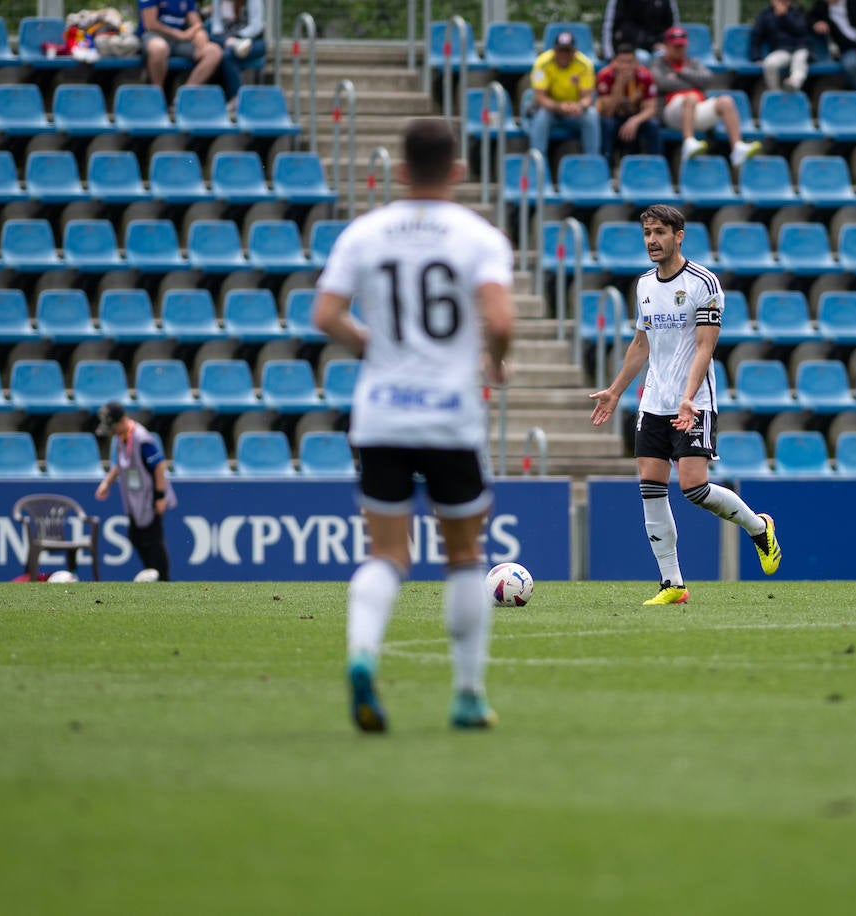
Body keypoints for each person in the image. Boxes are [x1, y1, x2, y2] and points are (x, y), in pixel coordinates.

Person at [313, 117, 515, 734]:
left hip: (381, 413)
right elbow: (501, 322)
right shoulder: (477, 236)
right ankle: (466, 694)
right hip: (450, 414)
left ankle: (362, 657)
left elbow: (325, 313)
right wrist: (495, 364)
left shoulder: (365, 233)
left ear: (399, 171)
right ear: (457, 170)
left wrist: (374, 346)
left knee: (385, 551)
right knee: (463, 556)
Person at [588, 204, 782, 605]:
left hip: (693, 402)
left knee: (694, 487)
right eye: (647, 234)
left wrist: (688, 397)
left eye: (660, 232)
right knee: (651, 489)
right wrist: (616, 390)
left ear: (679, 235)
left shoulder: (703, 283)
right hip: (653, 402)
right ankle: (672, 584)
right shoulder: (643, 285)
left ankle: (759, 527)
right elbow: (641, 344)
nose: (652, 241)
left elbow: (704, 348)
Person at [650, 26, 762, 166]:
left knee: (725, 101)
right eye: (675, 46)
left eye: (682, 46)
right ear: (666, 46)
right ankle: (688, 142)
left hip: (696, 109)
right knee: (690, 97)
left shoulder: (692, 62)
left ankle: (737, 148)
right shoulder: (658, 63)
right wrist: (694, 84)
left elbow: (707, 79)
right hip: (672, 112)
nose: (679, 50)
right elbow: (662, 83)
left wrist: (681, 73)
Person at [94, 402, 177, 582]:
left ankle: (163, 579)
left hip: (149, 498)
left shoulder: (141, 438)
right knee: (136, 537)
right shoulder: (121, 439)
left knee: (154, 541)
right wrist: (107, 482)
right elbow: (121, 463)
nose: (112, 431)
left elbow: (159, 466)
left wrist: (160, 497)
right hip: (134, 500)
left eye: (113, 426)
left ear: (122, 420)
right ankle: (152, 574)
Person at [528, 30, 600, 159]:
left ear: (574, 51)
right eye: (560, 51)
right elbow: (540, 97)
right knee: (540, 118)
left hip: (575, 111)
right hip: (551, 110)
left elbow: (587, 97)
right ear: (554, 50)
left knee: (591, 116)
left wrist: (579, 106)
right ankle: (538, 164)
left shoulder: (585, 64)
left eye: (568, 51)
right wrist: (558, 107)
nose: (564, 55)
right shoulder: (541, 63)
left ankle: (591, 161)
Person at [139, 0, 224, 95]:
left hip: (180, 41)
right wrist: (179, 34)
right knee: (159, 48)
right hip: (155, 36)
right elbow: (150, 24)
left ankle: (185, 96)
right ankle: (157, 95)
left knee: (213, 51)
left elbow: (196, 22)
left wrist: (199, 32)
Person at [596, 42, 662, 161]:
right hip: (614, 117)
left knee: (653, 124)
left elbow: (651, 109)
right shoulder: (605, 76)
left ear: (636, 62)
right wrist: (619, 84)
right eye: (622, 62)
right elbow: (607, 112)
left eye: (630, 62)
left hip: (636, 117)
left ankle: (655, 164)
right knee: (607, 124)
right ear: (614, 62)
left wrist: (635, 121)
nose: (626, 66)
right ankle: (607, 165)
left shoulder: (645, 76)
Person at [209, 0, 265, 108]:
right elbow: (216, 28)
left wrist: (237, 38)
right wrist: (227, 40)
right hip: (225, 40)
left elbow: (256, 26)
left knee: (228, 56)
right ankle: (216, 101)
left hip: (251, 41)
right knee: (213, 47)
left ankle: (236, 98)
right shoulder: (218, 2)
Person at [750, 0, 813, 92]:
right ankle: (775, 92)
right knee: (769, 64)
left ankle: (793, 84)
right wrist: (756, 57)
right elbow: (756, 38)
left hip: (800, 47)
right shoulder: (765, 15)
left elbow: (801, 30)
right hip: (781, 50)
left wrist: (785, 15)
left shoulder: (798, 11)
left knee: (799, 60)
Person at [601, 0, 679, 61]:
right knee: (642, 57)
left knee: (662, 57)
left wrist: (668, 47)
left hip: (658, 47)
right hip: (630, 48)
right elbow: (609, 26)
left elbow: (673, 29)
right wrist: (609, 55)